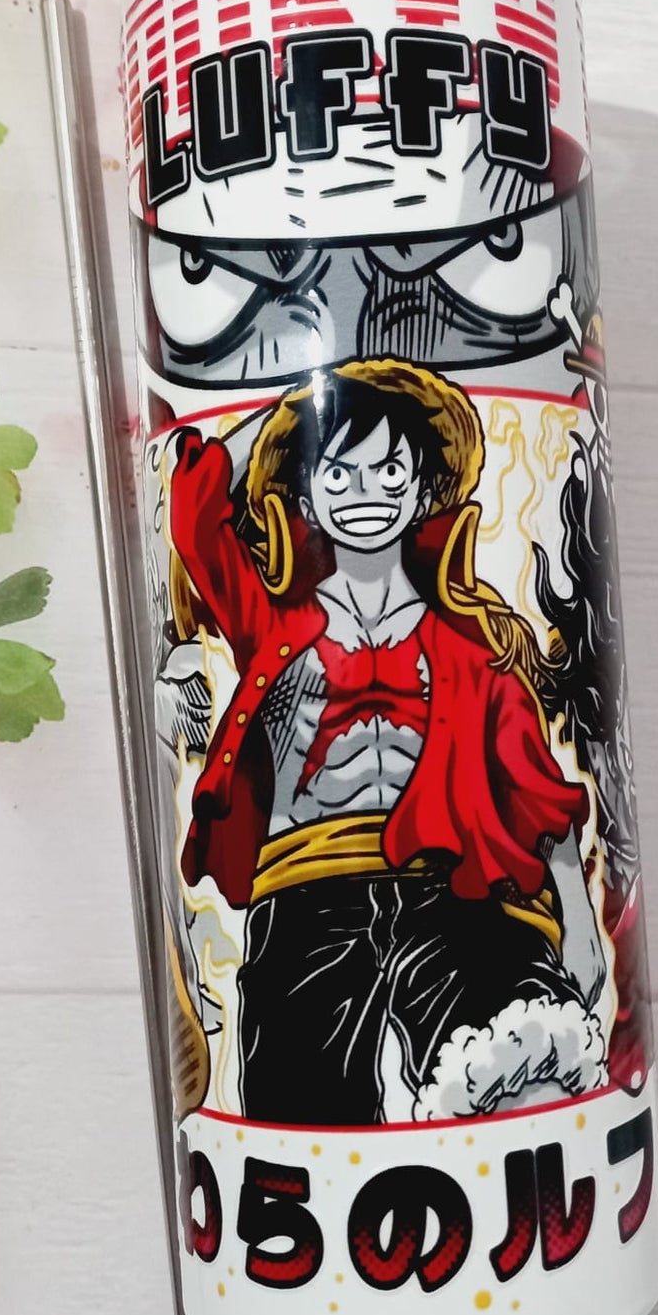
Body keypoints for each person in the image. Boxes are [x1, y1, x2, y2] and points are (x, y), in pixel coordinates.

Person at [168, 359, 609, 1125]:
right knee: (297, 1111)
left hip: (453, 893)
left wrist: (580, 925)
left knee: (521, 1057)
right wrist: (300, 408)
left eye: (389, 470)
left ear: (421, 486)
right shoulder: (270, 621)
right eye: (338, 472)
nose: (365, 491)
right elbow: (195, 511)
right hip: (303, 891)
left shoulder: (470, 643)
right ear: (305, 492)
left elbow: (538, 791)